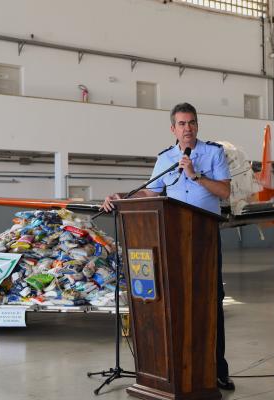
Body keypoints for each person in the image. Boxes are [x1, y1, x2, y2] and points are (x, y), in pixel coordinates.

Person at [102, 103, 235, 390]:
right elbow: (152, 191)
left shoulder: (213, 153)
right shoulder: (165, 158)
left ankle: (217, 369)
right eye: (182, 124)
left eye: (192, 123)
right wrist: (121, 196)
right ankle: (177, 369)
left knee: (212, 301)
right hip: (172, 238)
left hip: (205, 237)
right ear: (173, 129)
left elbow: (225, 191)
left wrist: (196, 175)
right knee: (174, 302)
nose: (188, 128)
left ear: (197, 126)